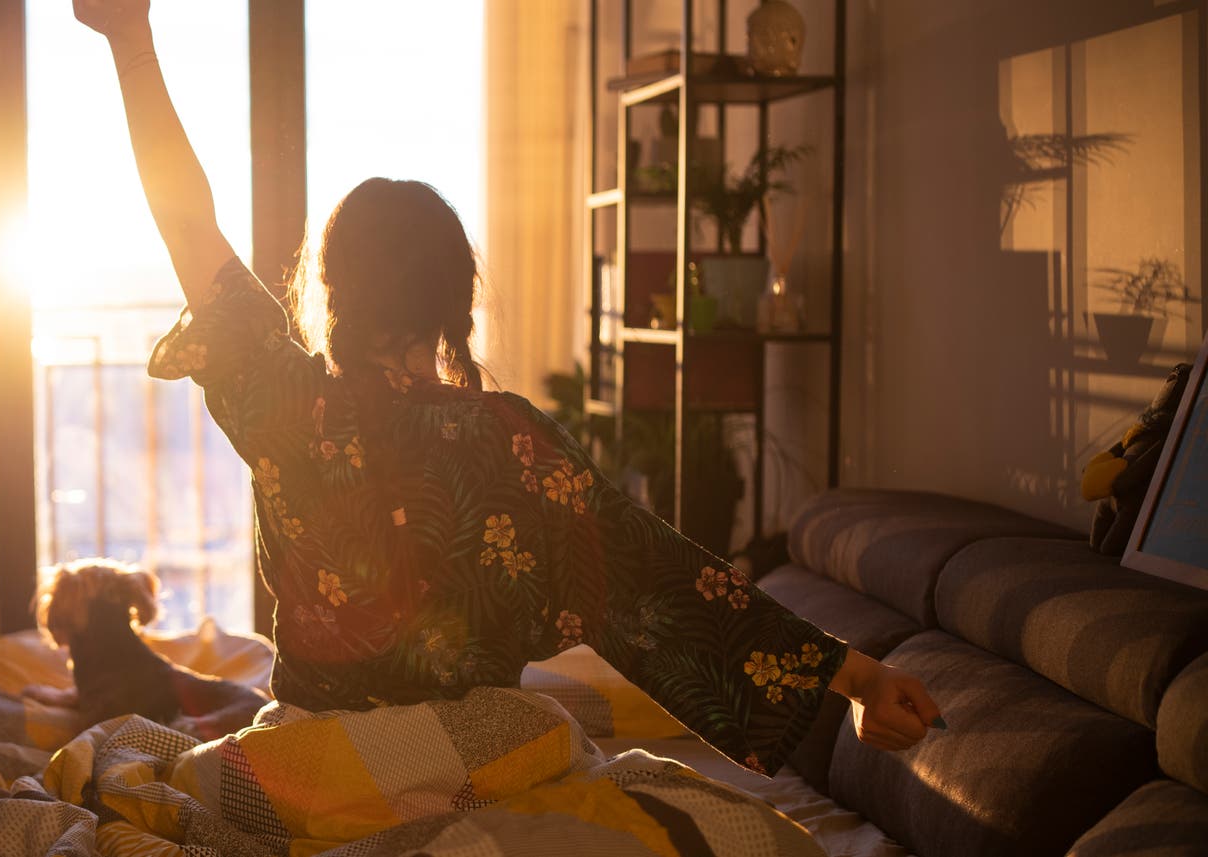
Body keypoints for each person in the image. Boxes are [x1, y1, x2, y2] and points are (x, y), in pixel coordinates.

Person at [73, 0, 943, 776]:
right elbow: (669, 579)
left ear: (332, 290)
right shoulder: (516, 440)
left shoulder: (289, 404)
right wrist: (859, 678)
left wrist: (131, 38)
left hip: (313, 768)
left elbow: (188, 219)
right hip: (471, 760)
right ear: (456, 300)